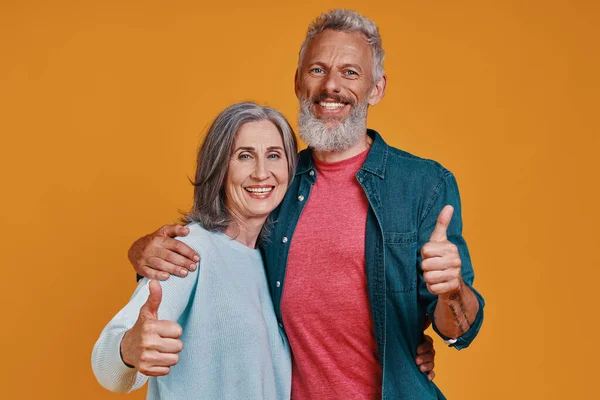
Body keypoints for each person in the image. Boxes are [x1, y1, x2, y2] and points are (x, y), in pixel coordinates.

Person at [128, 9, 483, 399]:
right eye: (317, 70)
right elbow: (213, 244)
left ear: (376, 89)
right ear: (298, 81)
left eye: (350, 72)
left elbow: (457, 330)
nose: (331, 85)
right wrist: (142, 250)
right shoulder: (273, 183)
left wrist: (451, 291)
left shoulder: (424, 185)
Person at [91, 102, 299, 399]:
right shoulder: (191, 249)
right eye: (244, 156)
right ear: (218, 167)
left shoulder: (272, 260)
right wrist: (129, 350)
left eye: (274, 156)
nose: (262, 173)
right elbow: (107, 363)